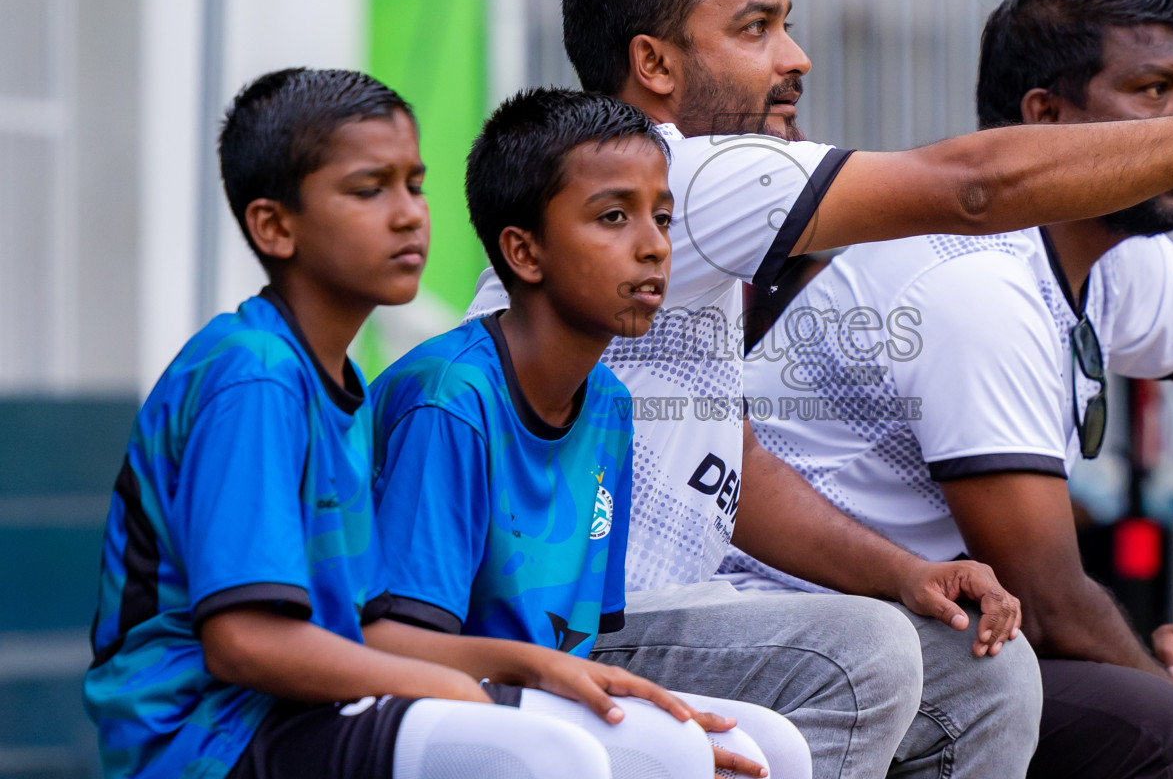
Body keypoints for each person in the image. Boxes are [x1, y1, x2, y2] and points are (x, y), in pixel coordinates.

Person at [463, 0, 1173, 779]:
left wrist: (910, 573)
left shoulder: (683, 214)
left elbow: (731, 467)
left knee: (988, 671)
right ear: (656, 65)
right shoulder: (692, 176)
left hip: (691, 613)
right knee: (891, 656)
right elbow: (974, 190)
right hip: (578, 625)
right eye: (758, 29)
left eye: (786, 23)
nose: (797, 57)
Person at [731, 0, 1173, 779]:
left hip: (938, 627)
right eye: (1154, 92)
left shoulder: (1112, 247)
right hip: (808, 642)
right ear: (1046, 115)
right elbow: (1054, 605)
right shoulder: (975, 282)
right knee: (1169, 728)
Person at [83, 69, 713, 779]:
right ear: (274, 226)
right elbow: (244, 644)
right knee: (539, 756)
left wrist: (532, 667)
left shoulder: (336, 382)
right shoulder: (255, 375)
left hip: (293, 711)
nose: (410, 214)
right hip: (202, 733)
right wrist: (452, 688)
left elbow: (369, 629)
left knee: (681, 749)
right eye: (368, 190)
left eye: (414, 185)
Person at [371, 87, 806, 778]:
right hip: (406, 699)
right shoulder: (451, 401)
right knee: (662, 751)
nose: (653, 247)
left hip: (529, 689)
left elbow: (581, 646)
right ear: (523, 251)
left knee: (767, 747)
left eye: (662, 218)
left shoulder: (607, 404)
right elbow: (390, 647)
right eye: (613, 217)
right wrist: (625, 728)